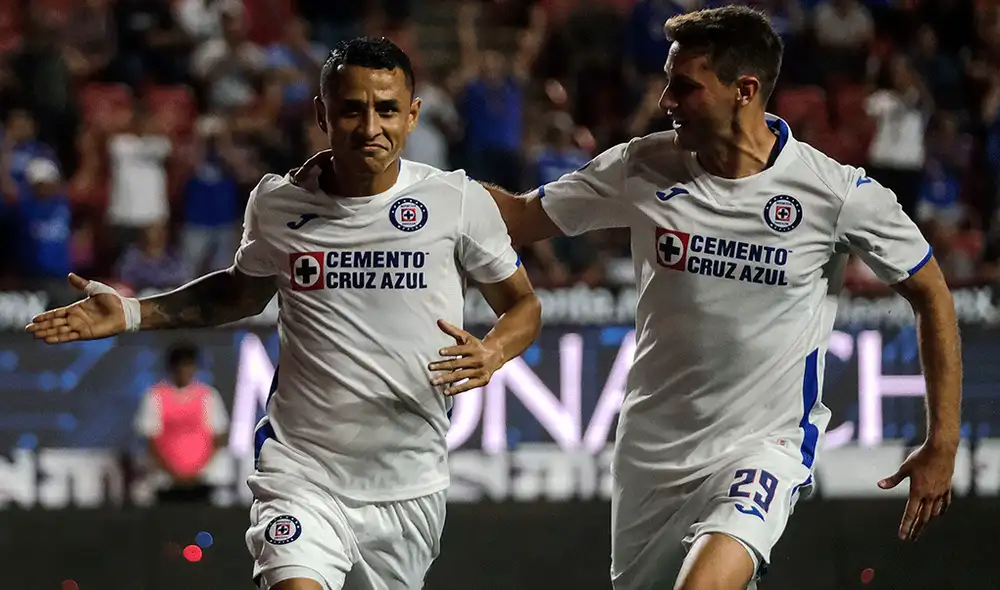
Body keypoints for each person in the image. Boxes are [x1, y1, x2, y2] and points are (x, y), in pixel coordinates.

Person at [26, 37, 542, 590]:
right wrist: (131, 313)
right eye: (351, 109)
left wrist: (493, 350)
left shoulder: (457, 202)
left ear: (412, 115)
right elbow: (239, 294)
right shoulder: (277, 204)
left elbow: (523, 305)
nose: (370, 127)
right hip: (302, 471)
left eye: (387, 109)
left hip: (408, 484)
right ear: (322, 114)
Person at [474, 6, 956, 590]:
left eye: (685, 87)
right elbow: (521, 219)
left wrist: (942, 441)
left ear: (744, 91)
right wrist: (417, 189)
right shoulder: (642, 166)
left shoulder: (836, 194)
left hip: (764, 446)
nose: (665, 99)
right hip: (652, 453)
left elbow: (931, 293)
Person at [134, 342, 229, 504]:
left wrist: (197, 473)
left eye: (188, 365)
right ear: (171, 368)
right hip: (165, 482)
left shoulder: (208, 396)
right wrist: (174, 474)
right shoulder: (154, 397)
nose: (184, 370)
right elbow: (150, 442)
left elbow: (219, 438)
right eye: (179, 365)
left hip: (203, 481)